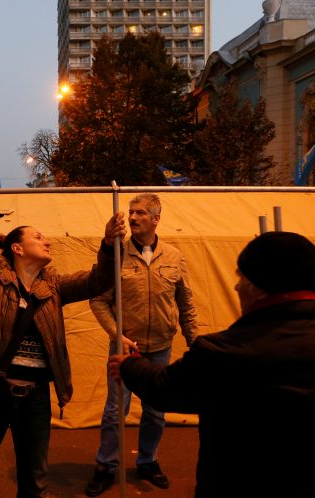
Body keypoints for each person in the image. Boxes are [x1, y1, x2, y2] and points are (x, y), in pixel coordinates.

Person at [109, 231, 315, 497]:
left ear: (257, 288)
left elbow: (165, 389)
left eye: (241, 279)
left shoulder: (224, 352)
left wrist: (129, 366)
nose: (236, 287)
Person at [0, 181, 125, 498]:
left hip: (35, 398)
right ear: (17, 248)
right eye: (37, 237)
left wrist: (107, 243)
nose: (46, 241)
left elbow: (97, 281)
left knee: (34, 483)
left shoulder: (55, 287)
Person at [86, 193, 197, 495]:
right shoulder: (116, 255)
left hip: (161, 346)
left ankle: (147, 461)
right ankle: (106, 465)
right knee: (114, 410)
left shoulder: (174, 256)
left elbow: (185, 302)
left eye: (140, 213)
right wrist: (115, 334)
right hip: (126, 347)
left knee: (155, 410)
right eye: (130, 213)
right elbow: (98, 299)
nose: (132, 218)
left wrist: (195, 342)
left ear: (156, 219)